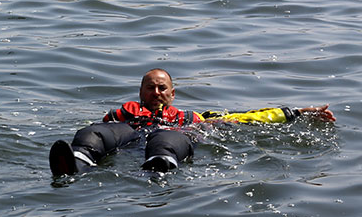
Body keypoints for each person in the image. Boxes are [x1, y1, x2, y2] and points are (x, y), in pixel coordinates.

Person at [49, 68, 335, 177]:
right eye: (150, 87)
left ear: (173, 94)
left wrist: (298, 112)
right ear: (140, 92)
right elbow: (102, 130)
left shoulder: (190, 118)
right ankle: (77, 163)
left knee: (170, 139)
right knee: (93, 133)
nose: (156, 92)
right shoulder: (123, 114)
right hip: (127, 136)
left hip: (168, 138)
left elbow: (248, 118)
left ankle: (160, 167)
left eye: (162, 88)